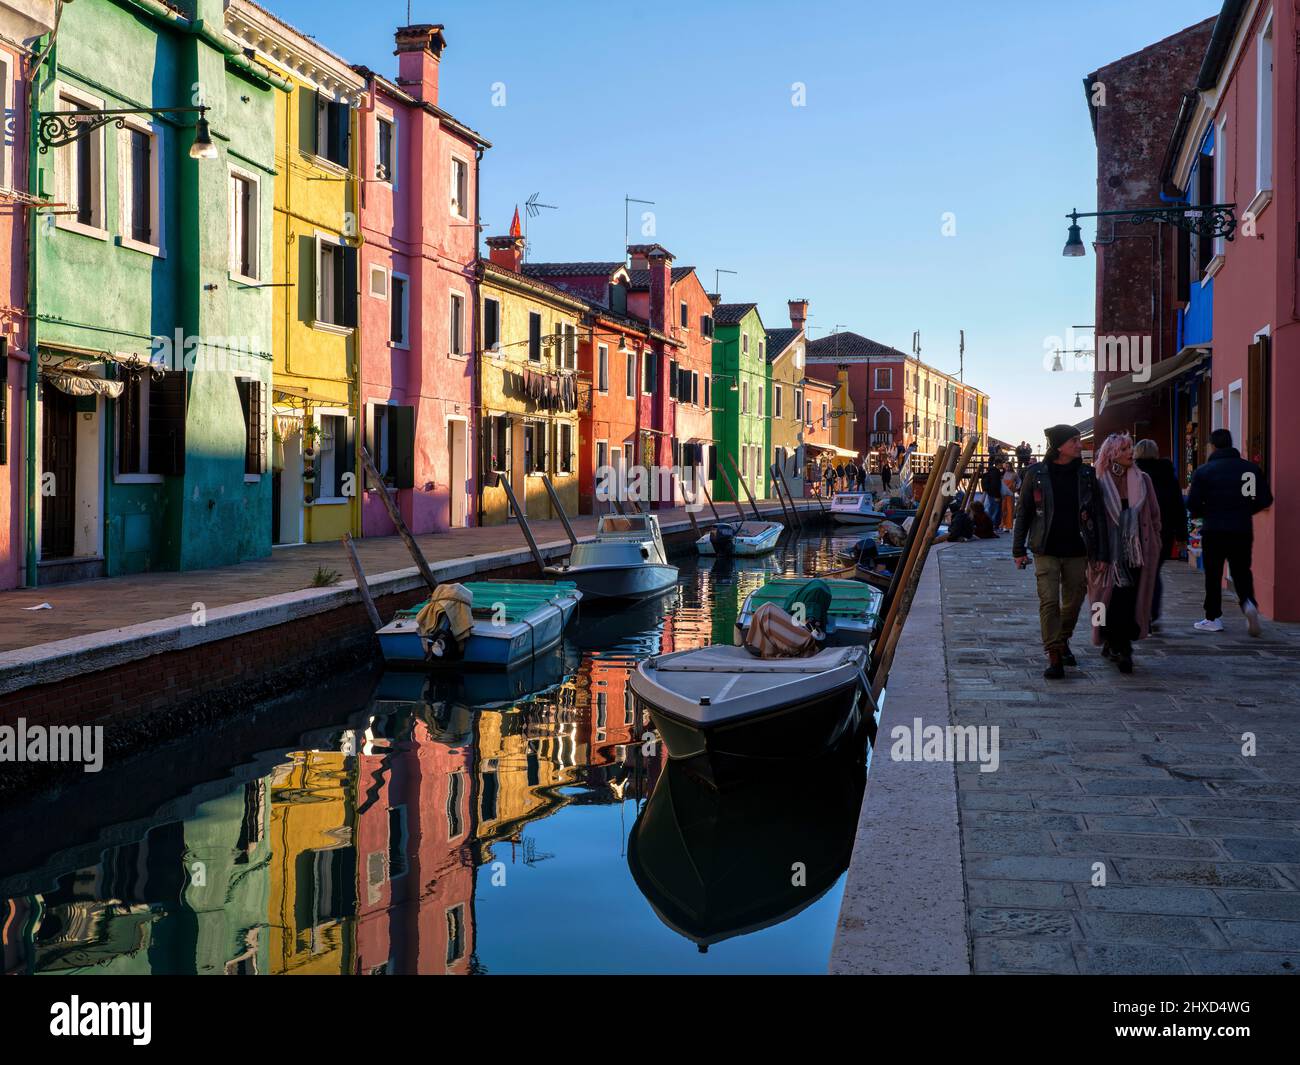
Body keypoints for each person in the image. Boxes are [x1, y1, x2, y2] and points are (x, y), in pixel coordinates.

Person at [1013, 424, 1097, 678]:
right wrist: (1018, 550)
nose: (1079, 445)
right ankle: (1054, 655)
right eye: (1074, 441)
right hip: (1045, 547)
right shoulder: (1036, 474)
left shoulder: (1086, 474)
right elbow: (1024, 512)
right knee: (1049, 601)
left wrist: (1100, 552)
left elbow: (1097, 515)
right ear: (1060, 446)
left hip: (1077, 548)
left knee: (1073, 603)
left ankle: (1062, 640)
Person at [1186, 428, 1273, 636]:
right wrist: (1244, 510)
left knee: (1214, 574)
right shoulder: (1249, 471)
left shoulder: (1205, 471)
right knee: (1242, 570)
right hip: (1241, 528)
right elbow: (1264, 500)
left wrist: (1209, 511)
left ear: (1212, 446)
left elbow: (1193, 504)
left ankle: (1213, 617)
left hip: (1214, 529)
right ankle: (1248, 603)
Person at [1134, 439, 1187, 629]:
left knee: (1137, 574)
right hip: (1163, 533)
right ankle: (1152, 613)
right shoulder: (1167, 475)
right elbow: (1178, 507)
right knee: (1154, 573)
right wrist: (1182, 536)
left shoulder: (1133, 473)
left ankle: (1138, 612)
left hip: (1137, 531)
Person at [980, 462, 1002, 530]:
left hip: (989, 492)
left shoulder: (989, 472)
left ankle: (989, 524)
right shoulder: (996, 473)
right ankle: (994, 525)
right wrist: (997, 495)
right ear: (999, 464)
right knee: (996, 510)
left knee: (990, 508)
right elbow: (995, 485)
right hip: (995, 494)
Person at [1000, 462, 1018, 531]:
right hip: (1003, 494)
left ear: (1011, 467)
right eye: (1006, 466)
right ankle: (1002, 524)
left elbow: (1019, 482)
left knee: (1010, 510)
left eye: (1008, 466)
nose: (1007, 468)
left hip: (1010, 494)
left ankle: (1009, 526)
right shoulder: (1002, 473)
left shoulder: (1014, 474)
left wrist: (1015, 489)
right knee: (1002, 509)